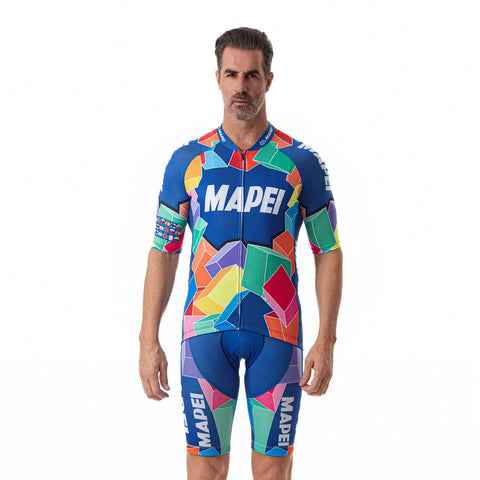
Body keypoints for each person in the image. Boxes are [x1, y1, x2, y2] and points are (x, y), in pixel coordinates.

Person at [139, 27, 343, 480]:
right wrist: (147, 339)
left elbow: (328, 249)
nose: (241, 87)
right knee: (205, 469)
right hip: (205, 332)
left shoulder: (301, 162)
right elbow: (164, 250)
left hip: (278, 333)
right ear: (217, 78)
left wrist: (326, 339)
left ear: (268, 80)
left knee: (273, 470)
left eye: (252, 75)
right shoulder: (188, 161)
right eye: (232, 74)